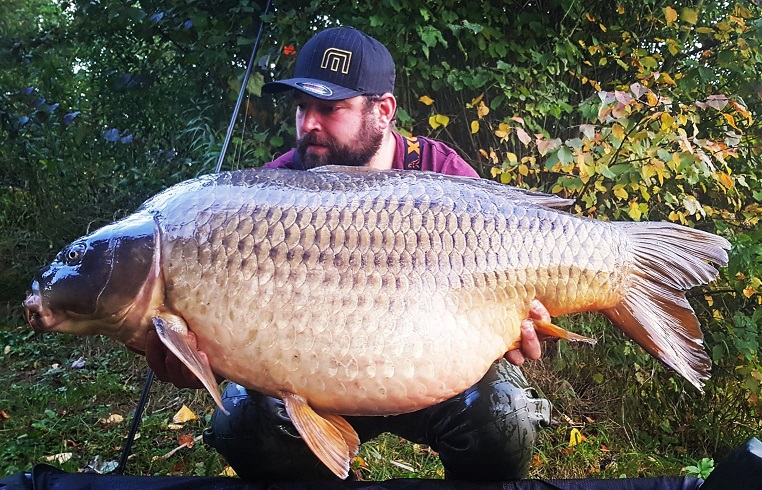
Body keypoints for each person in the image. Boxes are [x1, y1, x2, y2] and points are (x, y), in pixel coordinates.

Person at [143, 26, 552, 482]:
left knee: (505, 419)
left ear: (384, 111)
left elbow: (506, 284)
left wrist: (523, 322)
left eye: (329, 108)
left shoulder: (443, 175)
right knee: (241, 424)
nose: (308, 124)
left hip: (431, 376)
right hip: (310, 381)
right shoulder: (267, 194)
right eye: (302, 107)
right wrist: (197, 356)